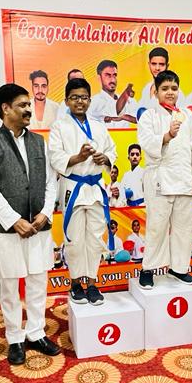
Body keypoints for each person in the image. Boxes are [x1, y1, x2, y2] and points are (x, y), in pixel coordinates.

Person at [0, 84, 61, 366]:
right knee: (10, 285)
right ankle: (14, 338)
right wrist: (14, 220)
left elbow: (50, 182)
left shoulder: (39, 142)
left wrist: (45, 213)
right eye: (22, 105)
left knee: (38, 281)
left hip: (38, 225)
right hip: (7, 229)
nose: (28, 110)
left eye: (28, 105)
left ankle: (36, 332)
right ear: (6, 108)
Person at [136, 70, 192, 288]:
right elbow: (146, 143)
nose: (170, 92)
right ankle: (148, 269)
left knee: (184, 228)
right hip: (159, 179)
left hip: (186, 179)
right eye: (165, 88)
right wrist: (168, 135)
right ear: (156, 91)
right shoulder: (149, 116)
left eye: (174, 88)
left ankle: (179, 268)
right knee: (156, 227)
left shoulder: (188, 116)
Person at [49, 78, 117, 305]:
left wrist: (104, 158)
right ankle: (76, 283)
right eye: (75, 97)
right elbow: (55, 157)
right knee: (74, 238)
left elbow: (112, 150)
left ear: (90, 100)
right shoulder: (59, 127)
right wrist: (78, 157)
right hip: (73, 187)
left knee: (95, 237)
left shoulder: (99, 126)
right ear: (67, 100)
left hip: (95, 187)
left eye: (84, 97)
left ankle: (93, 283)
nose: (80, 101)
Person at [89, 60, 139, 125]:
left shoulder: (129, 100)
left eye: (114, 75)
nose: (112, 79)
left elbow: (140, 119)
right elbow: (116, 110)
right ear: (99, 78)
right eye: (108, 75)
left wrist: (125, 117)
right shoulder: (93, 102)